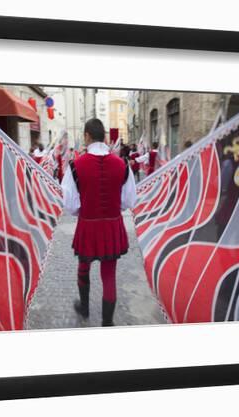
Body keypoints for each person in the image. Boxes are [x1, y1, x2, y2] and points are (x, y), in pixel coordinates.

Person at [61, 118, 137, 326]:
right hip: (112, 226)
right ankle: (107, 323)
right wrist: (113, 210)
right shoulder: (122, 164)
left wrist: (86, 212)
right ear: (104, 136)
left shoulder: (75, 165)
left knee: (83, 267)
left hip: (88, 225)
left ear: (86, 136)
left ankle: (84, 308)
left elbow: (70, 205)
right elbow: (129, 200)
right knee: (109, 274)